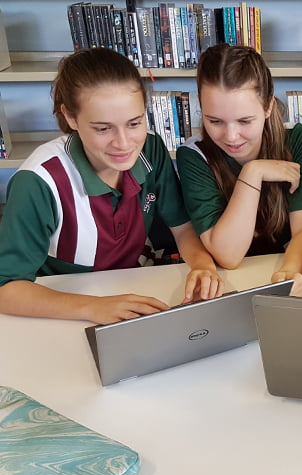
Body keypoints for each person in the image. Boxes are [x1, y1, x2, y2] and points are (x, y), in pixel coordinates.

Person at [0, 47, 223, 324]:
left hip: (137, 288)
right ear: (70, 117)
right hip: (63, 307)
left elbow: (182, 227)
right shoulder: (37, 182)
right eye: (103, 128)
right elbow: (6, 288)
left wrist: (202, 267)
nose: (124, 143)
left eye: (134, 123)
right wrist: (93, 308)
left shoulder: (151, 149)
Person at [176, 44, 302, 297]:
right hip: (228, 281)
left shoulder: (296, 140)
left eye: (244, 121)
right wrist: (253, 173)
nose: (231, 137)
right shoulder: (193, 155)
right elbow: (228, 255)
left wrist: (289, 274)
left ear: (267, 107)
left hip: (280, 267)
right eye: (214, 121)